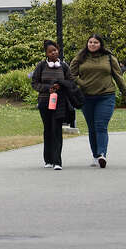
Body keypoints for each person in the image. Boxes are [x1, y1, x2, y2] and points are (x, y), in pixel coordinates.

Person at [70, 33, 126, 168]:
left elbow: (118, 76)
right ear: (87, 44)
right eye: (90, 42)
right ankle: (95, 156)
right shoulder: (80, 57)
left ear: (100, 44)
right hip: (86, 97)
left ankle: (102, 154)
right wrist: (82, 83)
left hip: (106, 96)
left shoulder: (108, 57)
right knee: (92, 128)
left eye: (95, 42)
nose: (92, 44)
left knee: (100, 126)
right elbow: (71, 74)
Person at [31, 39, 75, 170]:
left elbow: (71, 82)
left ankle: (57, 161)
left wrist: (60, 85)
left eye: (55, 50)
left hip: (59, 102)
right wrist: (47, 88)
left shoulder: (64, 66)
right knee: (48, 129)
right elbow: (35, 83)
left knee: (57, 129)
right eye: (50, 51)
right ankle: (48, 159)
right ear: (46, 53)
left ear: (58, 50)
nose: (53, 53)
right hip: (44, 101)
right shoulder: (41, 66)